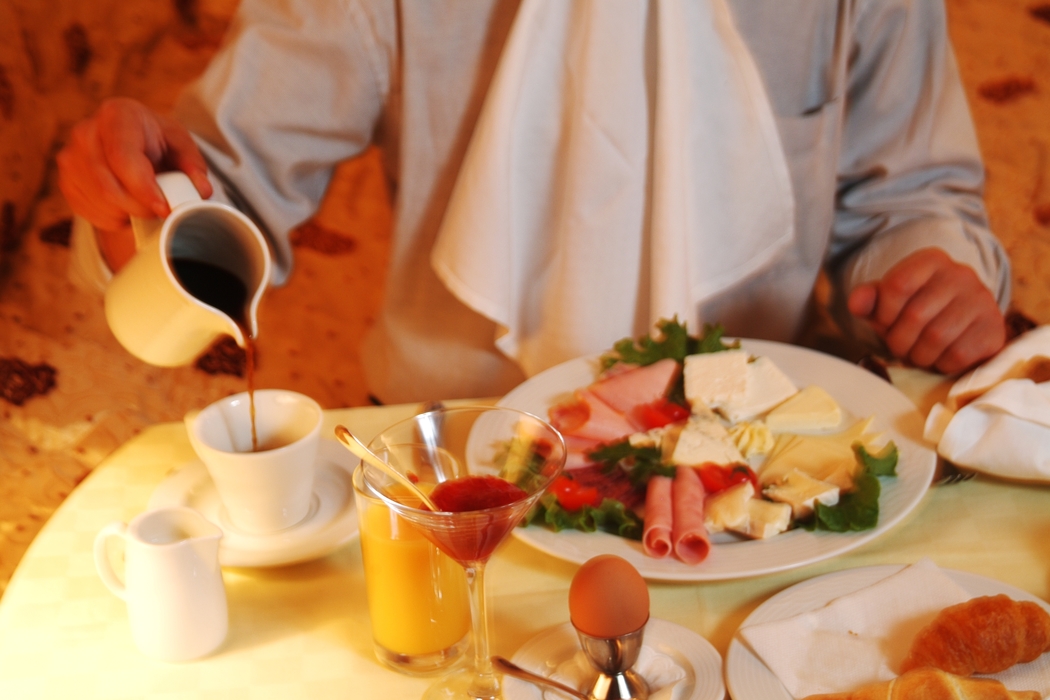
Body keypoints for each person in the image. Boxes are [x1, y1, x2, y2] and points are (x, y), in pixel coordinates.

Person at [57, 0, 1010, 405]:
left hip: (775, 450)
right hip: (462, 448)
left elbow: (912, 197)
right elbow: (223, 204)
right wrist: (135, 205)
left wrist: (930, 276)